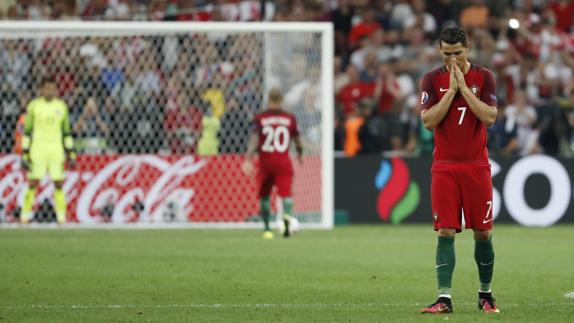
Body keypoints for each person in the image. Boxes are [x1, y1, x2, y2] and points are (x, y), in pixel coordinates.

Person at [419, 26, 499, 314]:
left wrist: (465, 88)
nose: (451, 59)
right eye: (446, 54)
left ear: (468, 48)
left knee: (483, 233)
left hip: (476, 165)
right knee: (445, 230)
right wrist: (452, 92)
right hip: (445, 167)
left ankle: (486, 295)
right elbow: (429, 121)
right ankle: (444, 299)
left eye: (457, 53)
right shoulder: (431, 80)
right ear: (440, 51)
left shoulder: (485, 77)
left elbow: (489, 117)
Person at [242, 88, 303, 239]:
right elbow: (297, 140)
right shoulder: (290, 118)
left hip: (266, 163)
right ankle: (286, 221)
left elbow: (254, 140)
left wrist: (248, 158)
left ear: (269, 100)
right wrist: (300, 154)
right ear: (281, 100)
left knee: (264, 196)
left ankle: (267, 229)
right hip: (283, 161)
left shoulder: (260, 118)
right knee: (286, 195)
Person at [21, 77, 76, 224]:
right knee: (33, 182)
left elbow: (66, 132)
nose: (50, 91)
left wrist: (71, 152)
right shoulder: (33, 106)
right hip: (38, 148)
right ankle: (24, 215)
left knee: (58, 183)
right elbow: (27, 131)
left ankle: (61, 217)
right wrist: (25, 152)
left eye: (52, 88)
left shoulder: (61, 107)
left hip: (56, 148)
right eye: (47, 88)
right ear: (41, 89)